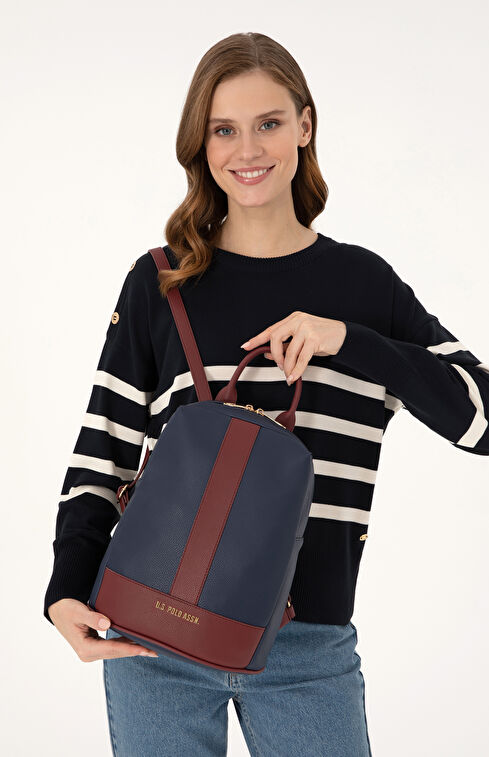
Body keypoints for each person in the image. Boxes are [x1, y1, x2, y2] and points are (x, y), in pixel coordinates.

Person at [44, 32, 489, 757]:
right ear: (201, 142)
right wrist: (64, 587)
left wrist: (348, 340)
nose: (246, 150)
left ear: (304, 126)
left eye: (269, 123)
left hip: (307, 645)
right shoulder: (161, 283)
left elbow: (483, 418)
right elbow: (104, 449)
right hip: (152, 633)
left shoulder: (363, 286)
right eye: (223, 129)